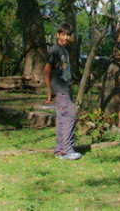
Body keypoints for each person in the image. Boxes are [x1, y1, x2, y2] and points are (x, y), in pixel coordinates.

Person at [44, 23, 82, 160]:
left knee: (63, 118)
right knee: (70, 116)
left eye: (68, 35)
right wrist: (49, 90)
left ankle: (60, 150)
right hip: (60, 90)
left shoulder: (65, 50)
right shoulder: (55, 50)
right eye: (63, 34)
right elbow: (46, 70)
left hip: (66, 88)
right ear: (58, 35)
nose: (66, 37)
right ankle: (67, 150)